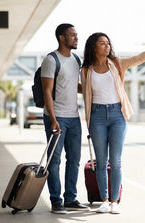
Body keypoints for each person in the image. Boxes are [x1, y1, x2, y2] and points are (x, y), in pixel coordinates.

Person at [81, 32, 145, 214]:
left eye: (108, 43)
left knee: (115, 161)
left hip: (117, 115)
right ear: (94, 47)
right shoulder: (86, 70)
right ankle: (105, 200)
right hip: (97, 116)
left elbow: (139, 58)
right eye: (102, 43)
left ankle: (115, 201)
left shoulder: (117, 64)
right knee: (101, 162)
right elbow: (84, 91)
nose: (107, 46)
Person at [41, 23, 89, 214]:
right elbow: (47, 90)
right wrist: (53, 119)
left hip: (74, 117)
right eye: (72, 35)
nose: (76, 38)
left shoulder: (76, 59)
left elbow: (72, 86)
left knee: (74, 159)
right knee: (54, 161)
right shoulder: (51, 60)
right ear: (62, 37)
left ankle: (70, 198)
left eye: (77, 34)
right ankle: (56, 201)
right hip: (57, 117)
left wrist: (92, 88)